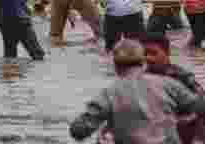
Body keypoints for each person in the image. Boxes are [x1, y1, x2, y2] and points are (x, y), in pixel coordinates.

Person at [69, 39, 205, 143]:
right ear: (142, 62)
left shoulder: (109, 93)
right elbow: (199, 106)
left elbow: (78, 131)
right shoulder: (168, 84)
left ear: (115, 67)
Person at [138, 31, 205, 143]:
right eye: (144, 54)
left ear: (167, 53)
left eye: (153, 53)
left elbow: (201, 106)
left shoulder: (183, 78)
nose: (148, 58)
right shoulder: (138, 78)